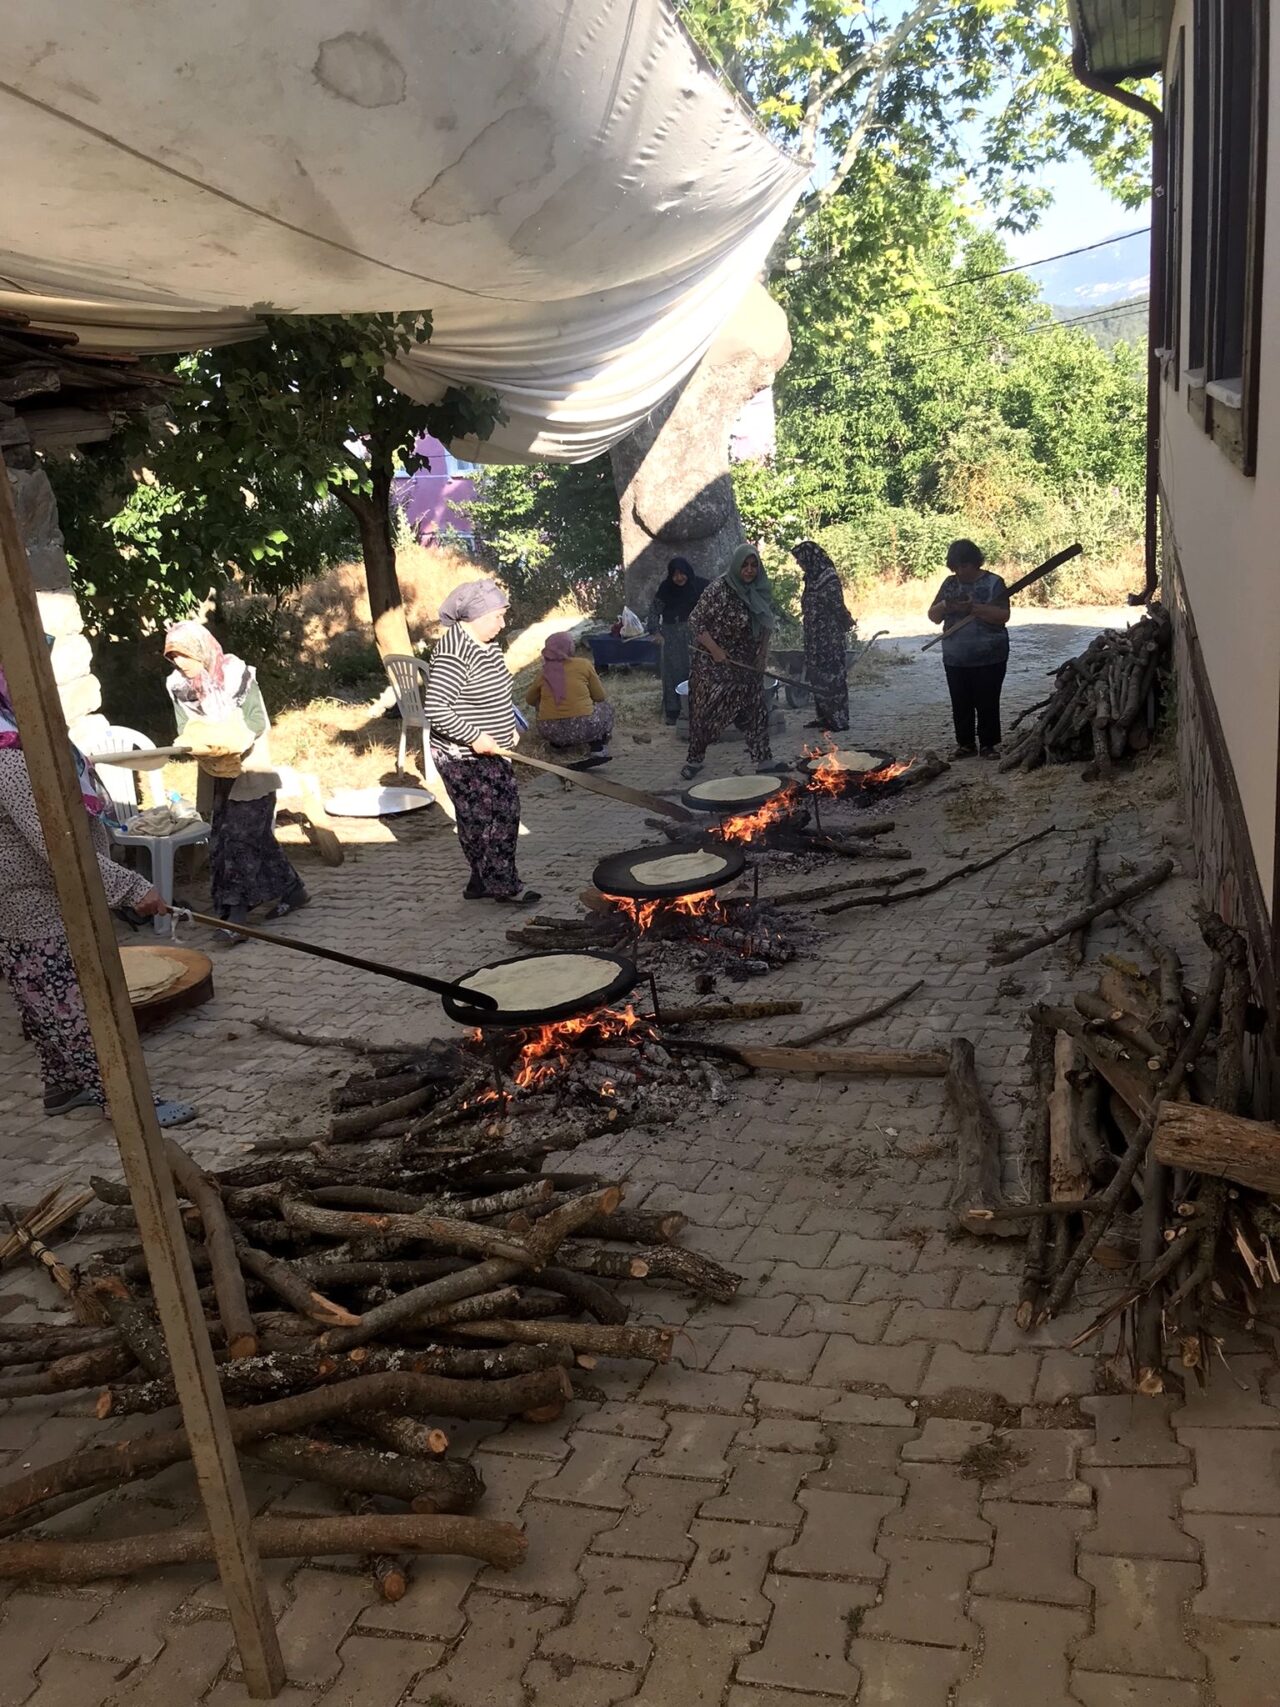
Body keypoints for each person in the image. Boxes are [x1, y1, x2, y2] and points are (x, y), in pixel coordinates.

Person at [0, 664, 193, 1124]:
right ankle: (127, 1104)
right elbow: (55, 843)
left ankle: (64, 1087)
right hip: (35, 905)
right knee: (81, 1010)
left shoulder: (18, 744)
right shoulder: (8, 757)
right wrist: (131, 888)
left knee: (46, 1003)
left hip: (31, 904)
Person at [164, 622, 308, 938]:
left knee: (239, 840)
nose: (180, 663)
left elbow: (256, 721)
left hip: (249, 769)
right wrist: (195, 746)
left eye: (184, 655)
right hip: (215, 772)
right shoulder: (177, 686)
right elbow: (184, 729)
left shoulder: (235, 676)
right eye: (173, 656)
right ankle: (292, 889)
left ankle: (237, 918)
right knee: (236, 838)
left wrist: (231, 741)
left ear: (200, 650)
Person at [423, 579, 540, 904]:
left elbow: (496, 692)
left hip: (493, 750)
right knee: (497, 815)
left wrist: (509, 726)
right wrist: (475, 736)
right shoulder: (453, 653)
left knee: (482, 818)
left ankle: (480, 879)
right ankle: (503, 885)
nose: (503, 624)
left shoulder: (486, 645)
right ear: (475, 616)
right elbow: (435, 708)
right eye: (498, 617)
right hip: (461, 755)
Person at [682, 543, 777, 780]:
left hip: (747, 665)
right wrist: (715, 650)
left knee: (757, 711)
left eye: (754, 565)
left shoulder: (760, 589)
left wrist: (762, 657)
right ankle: (695, 760)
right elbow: (696, 622)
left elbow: (766, 626)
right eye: (744, 565)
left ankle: (764, 760)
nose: (749, 570)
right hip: (714, 666)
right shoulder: (719, 589)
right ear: (736, 565)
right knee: (706, 715)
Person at [927, 539, 1011, 758]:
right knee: (960, 701)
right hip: (956, 656)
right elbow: (933, 616)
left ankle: (988, 744)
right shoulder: (950, 584)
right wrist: (947, 605)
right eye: (956, 566)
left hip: (990, 654)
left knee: (987, 700)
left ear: (975, 562)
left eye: (965, 565)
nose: (961, 571)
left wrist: (974, 608)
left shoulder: (994, 583)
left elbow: (1003, 615)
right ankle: (965, 744)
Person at [524, 633, 614, 767]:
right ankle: (597, 747)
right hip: (583, 728)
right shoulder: (584, 664)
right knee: (606, 707)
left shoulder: (544, 672)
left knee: (540, 704)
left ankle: (558, 746)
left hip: (550, 731)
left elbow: (529, 700)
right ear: (568, 647)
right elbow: (600, 696)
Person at [793, 540, 854, 731]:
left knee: (833, 677)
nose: (798, 564)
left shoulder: (829, 578)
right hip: (814, 638)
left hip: (829, 639)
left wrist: (847, 621)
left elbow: (837, 607)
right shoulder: (811, 577)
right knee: (817, 677)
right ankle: (824, 717)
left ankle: (838, 719)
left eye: (800, 559)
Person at [647, 556, 706, 725]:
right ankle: (673, 712)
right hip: (671, 636)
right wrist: (655, 632)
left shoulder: (700, 585)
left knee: (695, 670)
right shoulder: (666, 588)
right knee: (672, 672)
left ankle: (696, 709)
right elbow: (653, 611)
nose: (679, 578)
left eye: (682, 573)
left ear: (688, 572)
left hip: (695, 635)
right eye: (675, 574)